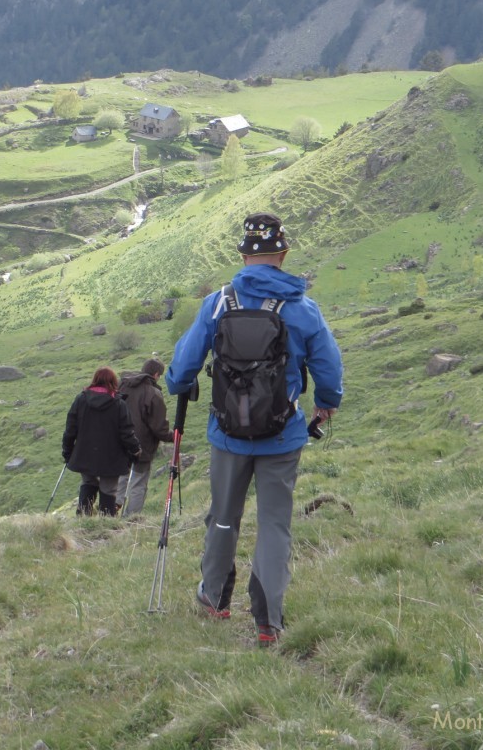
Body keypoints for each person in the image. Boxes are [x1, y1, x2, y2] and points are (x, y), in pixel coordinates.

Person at [165, 213, 343, 647]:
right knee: (274, 525)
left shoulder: (217, 303)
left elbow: (182, 367)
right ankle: (268, 621)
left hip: (227, 435)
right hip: (282, 436)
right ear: (282, 254)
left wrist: (178, 383)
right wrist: (326, 404)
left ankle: (214, 598)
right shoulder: (302, 309)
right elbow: (328, 367)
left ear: (244, 255)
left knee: (223, 518)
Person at [62, 366, 141, 516]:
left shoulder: (81, 400)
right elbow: (126, 432)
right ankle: (106, 524)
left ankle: (83, 520)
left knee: (88, 483)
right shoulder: (118, 404)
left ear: (95, 380)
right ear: (113, 382)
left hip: (85, 454)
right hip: (111, 456)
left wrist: (67, 451)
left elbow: (71, 429)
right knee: (109, 489)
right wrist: (135, 449)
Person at [115, 358, 175, 516]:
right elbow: (159, 427)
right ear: (156, 374)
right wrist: (172, 436)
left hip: (120, 441)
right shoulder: (153, 393)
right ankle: (131, 519)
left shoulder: (123, 385)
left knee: (120, 477)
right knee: (138, 483)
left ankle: (110, 514)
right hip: (142, 446)